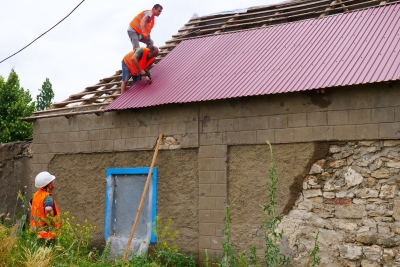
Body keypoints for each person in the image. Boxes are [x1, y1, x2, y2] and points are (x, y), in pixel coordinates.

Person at [29, 171, 60, 245]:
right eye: (52, 181)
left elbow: (30, 203)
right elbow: (48, 209)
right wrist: (49, 221)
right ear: (49, 185)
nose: (53, 181)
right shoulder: (47, 197)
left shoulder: (37, 194)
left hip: (36, 233)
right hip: (47, 235)